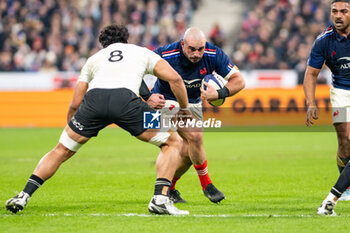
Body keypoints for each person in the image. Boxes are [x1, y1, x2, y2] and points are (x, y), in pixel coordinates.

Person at [5, 24, 192, 215]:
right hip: (127, 102)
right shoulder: (141, 52)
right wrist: (184, 108)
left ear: (103, 44)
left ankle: (23, 195)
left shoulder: (93, 59)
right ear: (126, 40)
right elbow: (175, 79)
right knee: (173, 141)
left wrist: (72, 125)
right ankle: (160, 199)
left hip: (94, 102)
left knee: (60, 150)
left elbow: (76, 101)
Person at [140, 27, 245, 203]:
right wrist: (148, 96)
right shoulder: (165, 54)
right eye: (192, 49)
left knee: (190, 152)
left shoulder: (213, 54)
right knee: (193, 137)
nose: (197, 54)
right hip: (165, 101)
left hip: (193, 103)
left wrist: (219, 94)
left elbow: (239, 81)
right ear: (182, 44)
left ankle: (169, 188)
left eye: (200, 49)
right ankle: (207, 185)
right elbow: (137, 72)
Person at [304, 0, 350, 216]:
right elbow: (311, 74)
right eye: (334, 11)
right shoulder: (324, 41)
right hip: (341, 93)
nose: (338, 15)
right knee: (345, 142)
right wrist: (311, 103)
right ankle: (346, 185)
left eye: (344, 11)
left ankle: (338, 192)